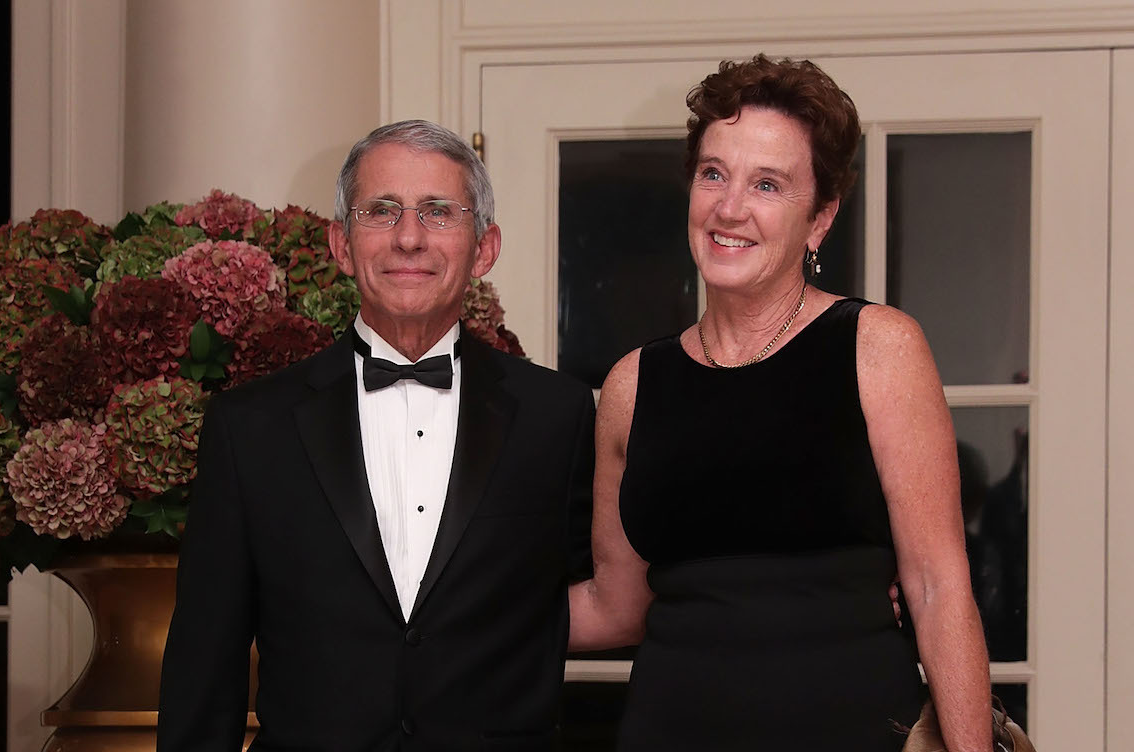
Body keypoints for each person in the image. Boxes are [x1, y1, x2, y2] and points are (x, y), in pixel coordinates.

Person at [567, 55, 994, 751]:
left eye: (768, 184)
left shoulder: (878, 348)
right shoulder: (631, 385)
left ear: (820, 218)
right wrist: (444, 609)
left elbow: (939, 587)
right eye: (714, 174)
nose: (729, 208)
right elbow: (615, 608)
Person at [158, 120, 595, 751]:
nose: (409, 237)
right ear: (341, 243)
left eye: (439, 212)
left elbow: (588, 601)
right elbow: (205, 660)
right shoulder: (250, 427)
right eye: (381, 211)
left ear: (486, 246)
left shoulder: (558, 414)